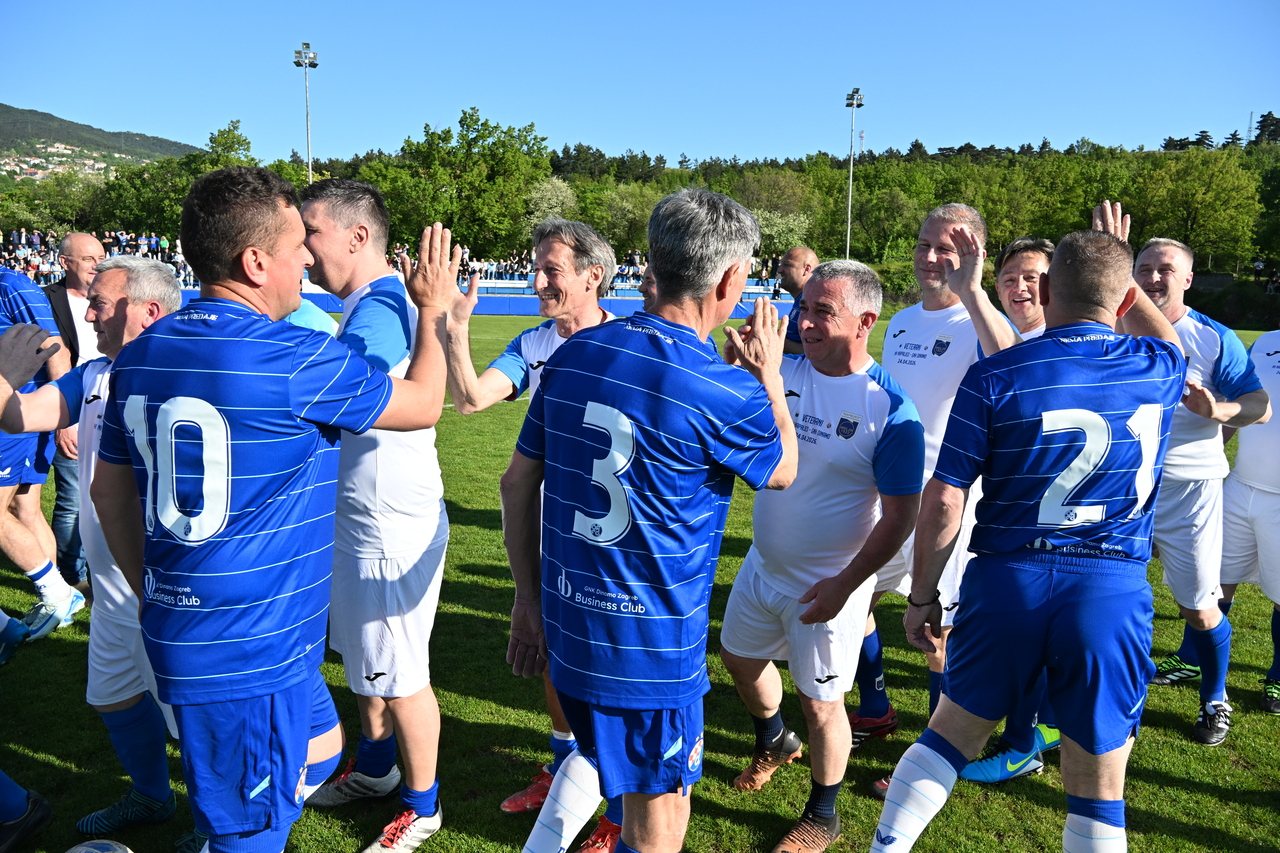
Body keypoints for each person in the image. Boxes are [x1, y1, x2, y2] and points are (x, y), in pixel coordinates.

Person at [91, 166, 456, 853]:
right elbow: (425, 403)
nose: (306, 263)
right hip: (248, 649)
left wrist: (153, 590)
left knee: (320, 746)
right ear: (256, 262)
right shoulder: (295, 356)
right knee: (250, 833)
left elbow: (107, 491)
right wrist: (433, 311)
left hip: (208, 632)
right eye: (296, 247)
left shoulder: (139, 356)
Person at [869, 229, 1186, 853]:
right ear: (1125, 299)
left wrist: (923, 595)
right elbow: (1167, 337)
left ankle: (888, 845)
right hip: (1108, 587)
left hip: (1010, 578)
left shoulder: (995, 373)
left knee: (948, 736)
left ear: (1044, 291)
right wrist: (1120, 271)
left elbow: (945, 499)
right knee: (1099, 785)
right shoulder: (1158, 365)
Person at [501, 188, 798, 853]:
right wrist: (770, 378)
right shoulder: (724, 387)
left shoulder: (574, 353)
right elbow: (782, 469)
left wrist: (527, 598)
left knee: (608, 769)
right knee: (656, 824)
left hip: (569, 623)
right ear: (731, 279)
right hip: (650, 651)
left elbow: (517, 482)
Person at [719, 260, 923, 853]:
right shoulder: (783, 369)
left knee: (821, 704)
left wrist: (847, 585)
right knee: (738, 658)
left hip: (830, 585)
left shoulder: (891, 410)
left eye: (821, 312)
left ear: (865, 321)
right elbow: (732, 412)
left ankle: (823, 815)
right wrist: (736, 363)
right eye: (802, 308)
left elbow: (900, 517)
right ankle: (774, 740)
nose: (803, 322)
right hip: (763, 567)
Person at [0, 257, 191, 843]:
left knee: (194, 723)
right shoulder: (93, 375)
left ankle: (218, 828)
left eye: (100, 304)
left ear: (147, 312)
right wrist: (5, 374)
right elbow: (18, 416)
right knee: (114, 698)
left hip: (165, 591)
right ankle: (152, 796)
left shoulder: (187, 374)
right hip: (110, 592)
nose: (88, 315)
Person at [444, 218, 619, 834]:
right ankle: (563, 765)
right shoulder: (534, 343)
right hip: (550, 529)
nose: (537, 281)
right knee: (553, 652)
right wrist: (454, 331)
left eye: (552, 270)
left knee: (609, 665)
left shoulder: (624, 343)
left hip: (610, 538)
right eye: (535, 269)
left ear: (593, 276)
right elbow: (471, 399)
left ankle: (623, 807)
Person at [296, 178, 450, 853]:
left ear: (358, 237)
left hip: (386, 522)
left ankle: (423, 808)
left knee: (402, 673)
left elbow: (339, 394)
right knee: (370, 660)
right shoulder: (370, 304)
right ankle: (379, 768)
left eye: (311, 231)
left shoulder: (382, 307)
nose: (302, 248)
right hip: (369, 517)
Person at [857, 204, 1019, 798]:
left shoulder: (981, 321)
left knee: (938, 631)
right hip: (889, 492)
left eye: (945, 249)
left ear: (972, 255)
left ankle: (929, 756)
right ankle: (876, 707)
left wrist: (974, 292)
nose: (930, 257)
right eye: (924, 244)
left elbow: (1012, 365)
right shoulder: (900, 322)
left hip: (949, 498)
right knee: (860, 598)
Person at [1135, 234, 1270, 746]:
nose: (1153, 277)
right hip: (1120, 487)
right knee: (1115, 595)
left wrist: (1218, 410)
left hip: (1190, 490)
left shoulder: (1213, 336)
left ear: (1188, 279)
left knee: (1198, 606)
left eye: (1165, 269)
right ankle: (1115, 689)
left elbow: (1260, 406)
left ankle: (1215, 698)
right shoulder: (1114, 324)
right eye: (1144, 267)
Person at [954, 236, 1061, 784]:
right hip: (1009, 499)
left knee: (1027, 630)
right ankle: (1041, 728)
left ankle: (1023, 744)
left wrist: (971, 292)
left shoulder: (1052, 339)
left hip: (1043, 514)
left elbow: (1014, 362)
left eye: (1032, 277)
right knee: (1037, 632)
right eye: (1009, 278)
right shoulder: (994, 331)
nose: (1019, 287)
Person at [0, 265, 75, 640]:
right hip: (11, 415)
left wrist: (66, 417)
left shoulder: (11, 284)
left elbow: (55, 349)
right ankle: (60, 598)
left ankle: (57, 593)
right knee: (24, 509)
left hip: (17, 416)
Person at [42, 232, 109, 591]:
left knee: (106, 496)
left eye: (101, 257)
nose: (97, 265)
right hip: (68, 408)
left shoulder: (116, 295)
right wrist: (64, 420)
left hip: (111, 407)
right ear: (65, 263)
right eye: (88, 259)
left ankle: (99, 571)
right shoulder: (44, 300)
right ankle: (70, 578)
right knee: (72, 499)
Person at [1220, 325, 1280, 716]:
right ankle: (1194, 657)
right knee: (1216, 579)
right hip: (1240, 485)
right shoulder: (1266, 341)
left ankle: (1279, 675)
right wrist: (1213, 453)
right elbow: (1243, 404)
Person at [775, 246, 819, 355]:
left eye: (787, 265)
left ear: (806, 269)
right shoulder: (801, 300)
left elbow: (818, 351)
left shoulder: (814, 304)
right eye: (780, 264)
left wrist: (774, 339)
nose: (779, 270)